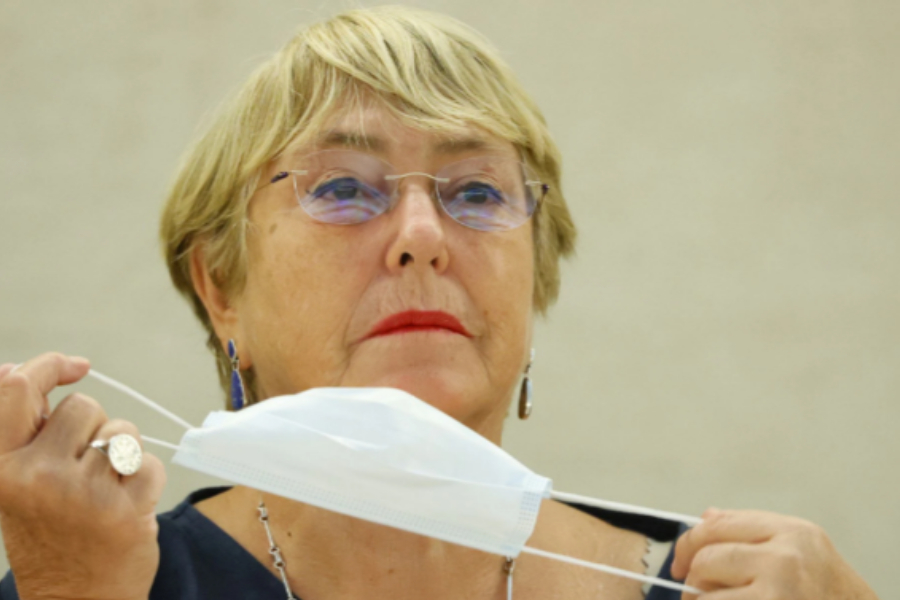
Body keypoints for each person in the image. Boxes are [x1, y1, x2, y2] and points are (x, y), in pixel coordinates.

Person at [0, 6, 881, 600]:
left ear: (533, 279)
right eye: (344, 188)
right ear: (220, 287)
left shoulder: (712, 586)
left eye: (475, 193)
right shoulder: (90, 576)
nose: (421, 233)